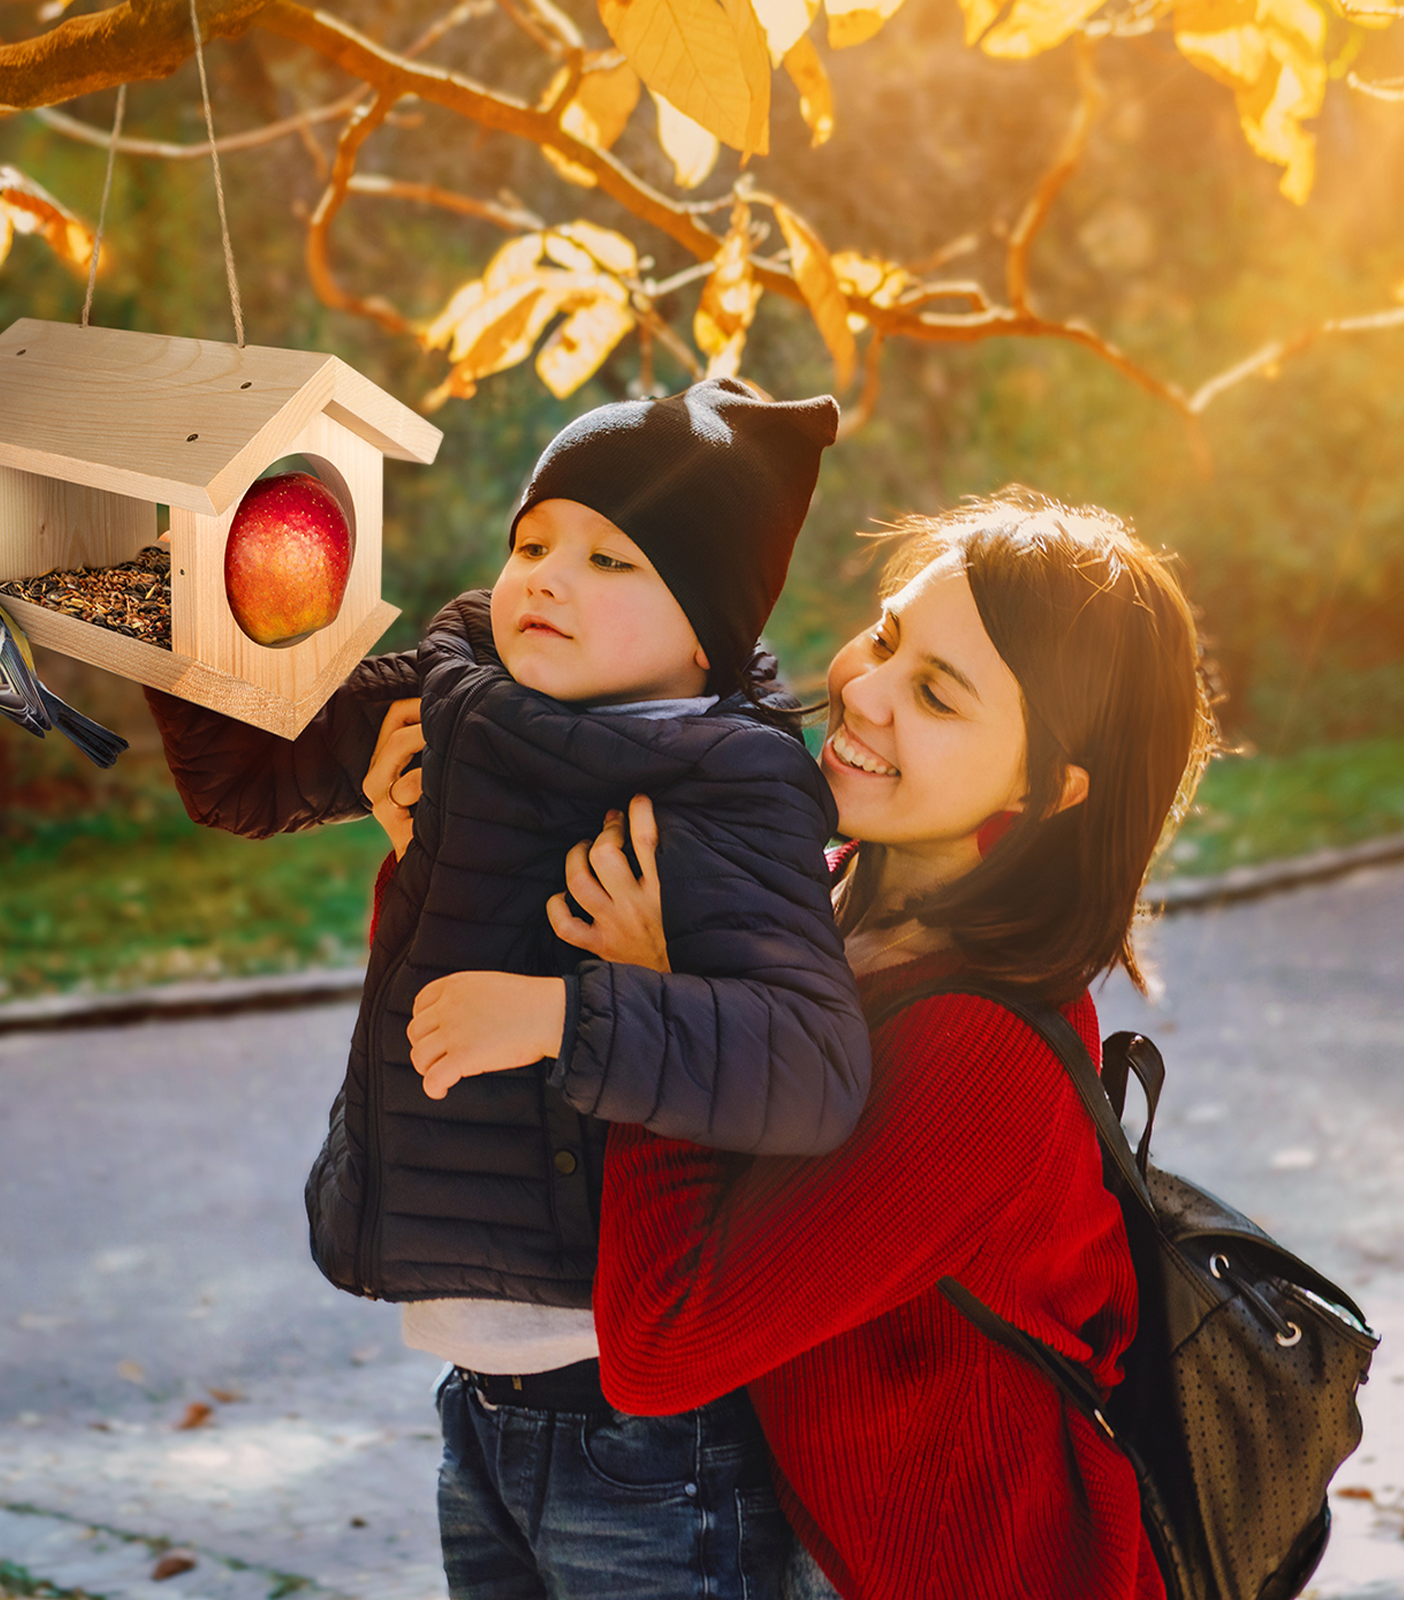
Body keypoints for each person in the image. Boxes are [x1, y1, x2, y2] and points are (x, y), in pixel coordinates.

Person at [143, 377, 874, 1599]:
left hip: (653, 1428)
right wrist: (175, 576)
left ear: (707, 629)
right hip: (480, 1404)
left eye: (611, 559)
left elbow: (808, 1063)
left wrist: (559, 1015)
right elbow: (245, 772)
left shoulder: (731, 783)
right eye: (534, 541)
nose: (548, 576)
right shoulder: (455, 698)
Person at [573, 489, 1216, 1600]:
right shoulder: (831, 905)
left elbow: (660, 1344)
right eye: (884, 632)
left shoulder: (978, 1053)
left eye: (934, 692)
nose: (859, 687)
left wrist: (658, 1018)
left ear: (1045, 786)